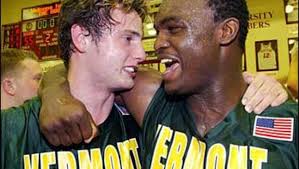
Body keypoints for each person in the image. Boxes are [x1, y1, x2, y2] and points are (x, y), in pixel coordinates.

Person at [39, 0, 297, 168]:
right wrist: (54, 93)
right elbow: (87, 69)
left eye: (173, 29)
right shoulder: (149, 95)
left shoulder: (287, 123)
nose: (157, 43)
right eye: (159, 31)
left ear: (226, 32)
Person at [1, 0, 146, 169]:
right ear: (81, 38)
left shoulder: (143, 122)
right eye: (128, 38)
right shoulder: (11, 128)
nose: (141, 54)